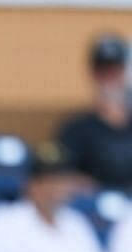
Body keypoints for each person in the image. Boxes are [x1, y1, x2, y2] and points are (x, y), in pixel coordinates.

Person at [56, 34, 132, 191]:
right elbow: (57, 174)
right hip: (93, 210)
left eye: (115, 71)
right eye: (103, 71)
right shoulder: (75, 129)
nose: (109, 78)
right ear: (93, 75)